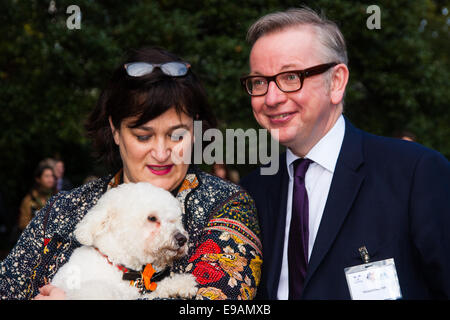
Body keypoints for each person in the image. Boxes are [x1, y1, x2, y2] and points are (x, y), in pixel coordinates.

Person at [0, 47, 262, 300]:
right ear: (115, 129)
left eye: (177, 135)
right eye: (143, 135)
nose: (161, 152)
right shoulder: (62, 211)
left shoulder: (227, 205)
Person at [239, 7, 450, 299]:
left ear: (336, 82)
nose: (271, 98)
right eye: (260, 82)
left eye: (290, 77)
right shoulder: (249, 194)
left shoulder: (415, 174)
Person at [18, 164, 56, 231]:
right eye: (47, 176)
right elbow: (23, 224)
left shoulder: (58, 197)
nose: (51, 179)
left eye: (52, 176)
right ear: (38, 179)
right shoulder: (30, 200)